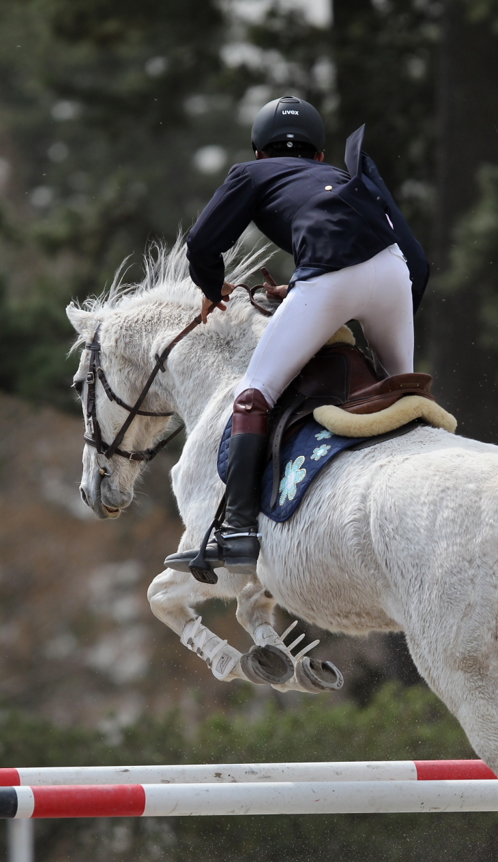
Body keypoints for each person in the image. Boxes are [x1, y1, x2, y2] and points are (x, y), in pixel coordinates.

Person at [166, 95, 429, 577]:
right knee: (401, 389)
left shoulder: (251, 173)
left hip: (329, 279)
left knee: (253, 395)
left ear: (260, 152)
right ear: (320, 156)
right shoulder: (356, 178)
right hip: (393, 273)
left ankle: (239, 531)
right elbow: (419, 263)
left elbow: (202, 243)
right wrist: (367, 300)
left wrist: (211, 287)